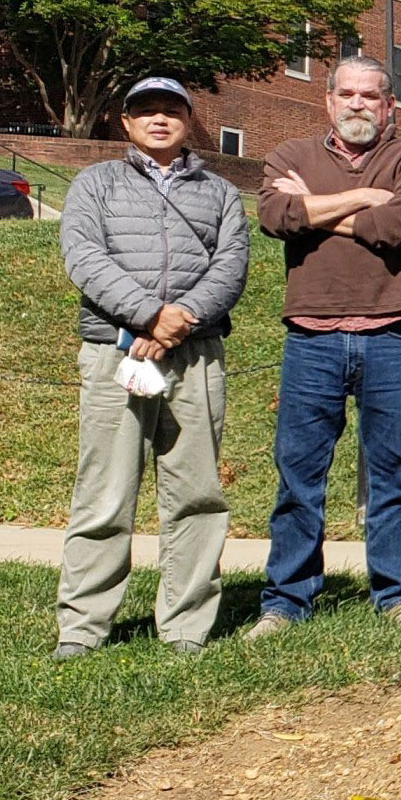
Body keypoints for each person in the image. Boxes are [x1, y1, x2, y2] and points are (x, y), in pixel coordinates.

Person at [53, 78, 250, 659]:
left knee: (196, 494)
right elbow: (83, 256)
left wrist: (181, 319)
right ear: (125, 122)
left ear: (189, 121)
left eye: (172, 111)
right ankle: (83, 628)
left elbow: (231, 265)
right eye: (147, 112)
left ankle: (186, 625)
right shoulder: (95, 183)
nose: (159, 120)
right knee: (105, 493)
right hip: (115, 351)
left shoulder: (219, 193)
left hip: (196, 355)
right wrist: (147, 316)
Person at [254, 56, 401, 636]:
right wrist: (368, 198)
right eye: (347, 94)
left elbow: (399, 228)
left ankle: (397, 596)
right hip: (310, 337)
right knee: (298, 475)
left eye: (371, 95)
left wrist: (316, 208)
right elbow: (274, 214)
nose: (358, 104)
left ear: (390, 105)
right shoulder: (290, 156)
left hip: (392, 334)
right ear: (329, 102)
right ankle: (286, 601)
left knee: (393, 471)